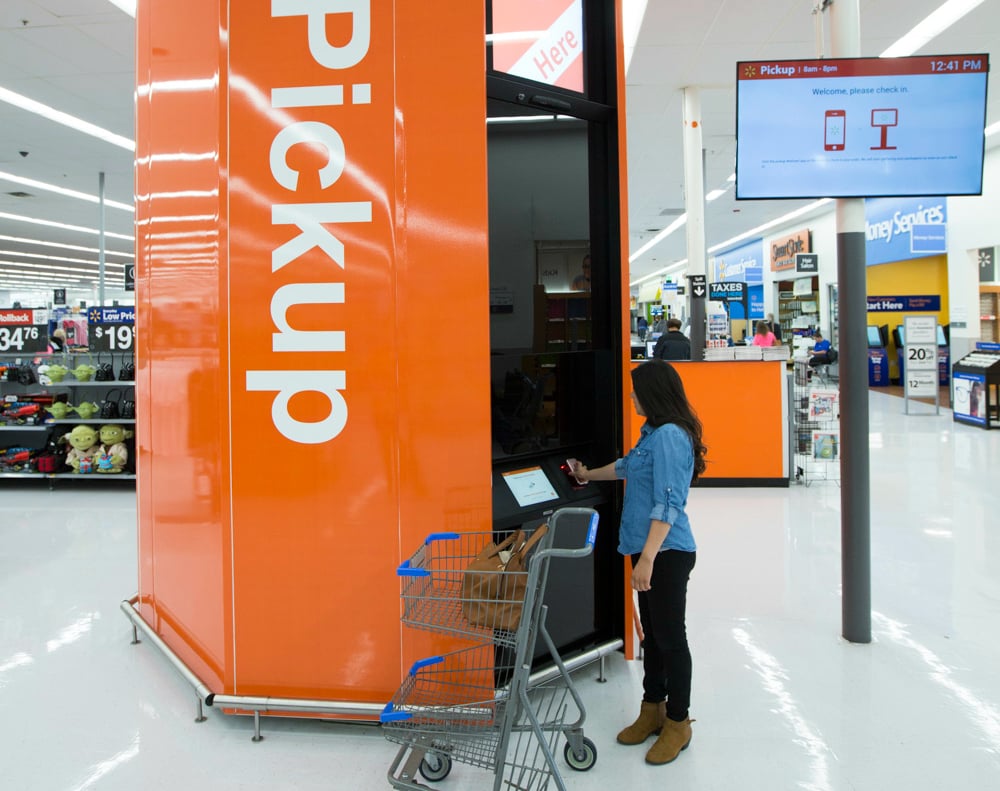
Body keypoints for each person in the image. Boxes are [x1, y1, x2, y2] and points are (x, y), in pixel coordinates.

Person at [572, 360, 706, 766]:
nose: (630, 395)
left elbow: (669, 503)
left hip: (665, 553)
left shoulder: (669, 437)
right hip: (647, 550)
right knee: (653, 637)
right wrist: (587, 475)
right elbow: (627, 467)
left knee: (670, 638)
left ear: (654, 393)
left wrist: (646, 559)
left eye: (635, 390)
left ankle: (679, 722)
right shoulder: (652, 434)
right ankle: (653, 709)